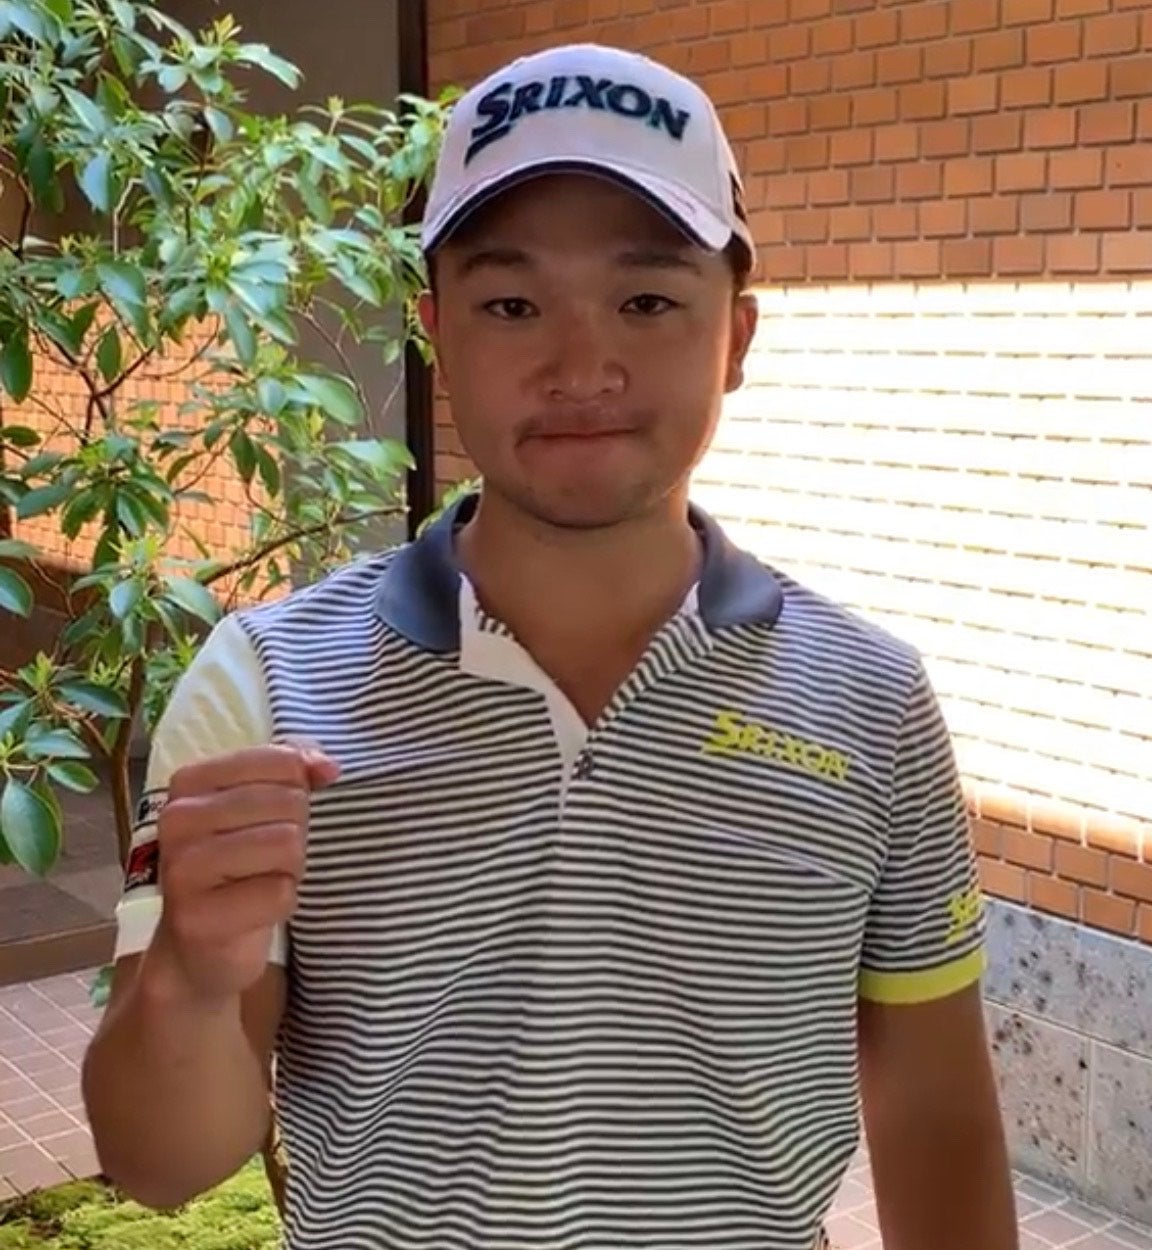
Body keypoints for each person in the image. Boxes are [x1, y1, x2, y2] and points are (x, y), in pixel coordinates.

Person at [82, 42, 1019, 1250]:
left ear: (736, 336)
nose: (583, 368)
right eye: (512, 305)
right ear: (435, 331)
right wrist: (188, 979)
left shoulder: (873, 698)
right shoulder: (268, 681)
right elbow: (162, 1164)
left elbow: (938, 1116)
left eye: (647, 300)